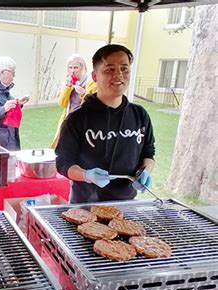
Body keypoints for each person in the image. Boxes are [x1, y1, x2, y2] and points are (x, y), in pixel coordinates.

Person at [55, 44, 155, 203]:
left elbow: (148, 153)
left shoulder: (139, 115)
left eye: (124, 69)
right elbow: (63, 163)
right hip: (84, 206)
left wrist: (145, 172)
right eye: (110, 69)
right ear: (95, 76)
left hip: (126, 204)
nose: (119, 75)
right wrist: (86, 176)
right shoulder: (77, 118)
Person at [51, 54, 97, 148]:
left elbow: (94, 104)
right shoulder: (68, 81)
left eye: (76, 67)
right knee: (63, 147)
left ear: (82, 67)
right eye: (70, 67)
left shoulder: (91, 82)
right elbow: (62, 104)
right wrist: (67, 88)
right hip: (69, 118)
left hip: (84, 121)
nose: (72, 71)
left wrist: (84, 94)